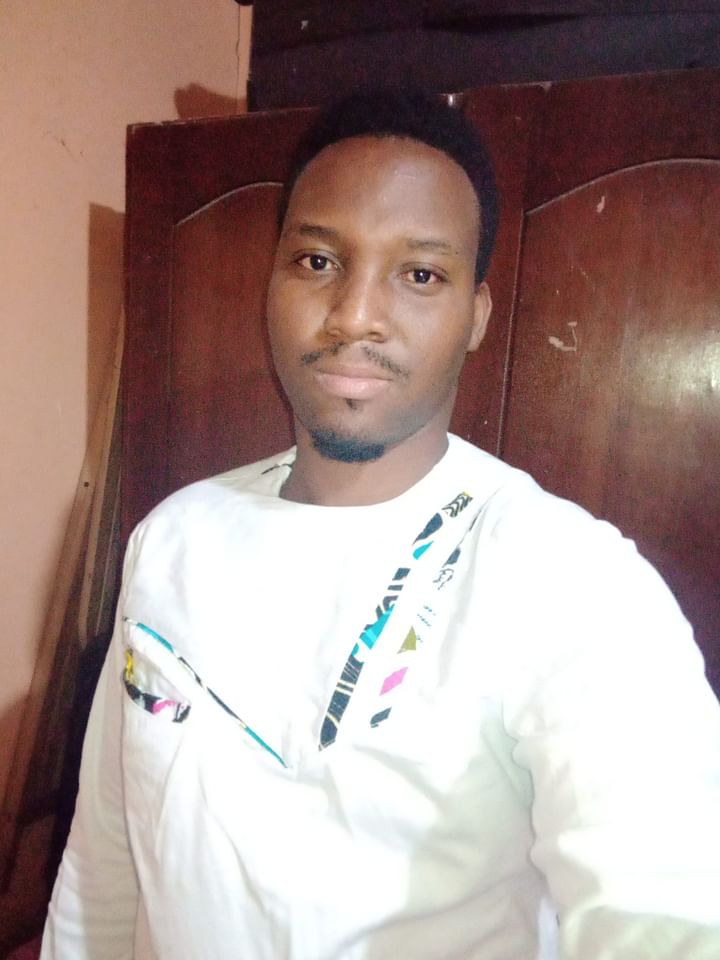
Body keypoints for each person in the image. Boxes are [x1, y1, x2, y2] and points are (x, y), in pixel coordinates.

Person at [42, 89, 720, 960]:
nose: (355, 314)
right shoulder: (171, 539)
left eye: (420, 275)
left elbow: (669, 907)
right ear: (271, 280)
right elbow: (104, 867)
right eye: (319, 261)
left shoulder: (569, 580)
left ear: (475, 316)